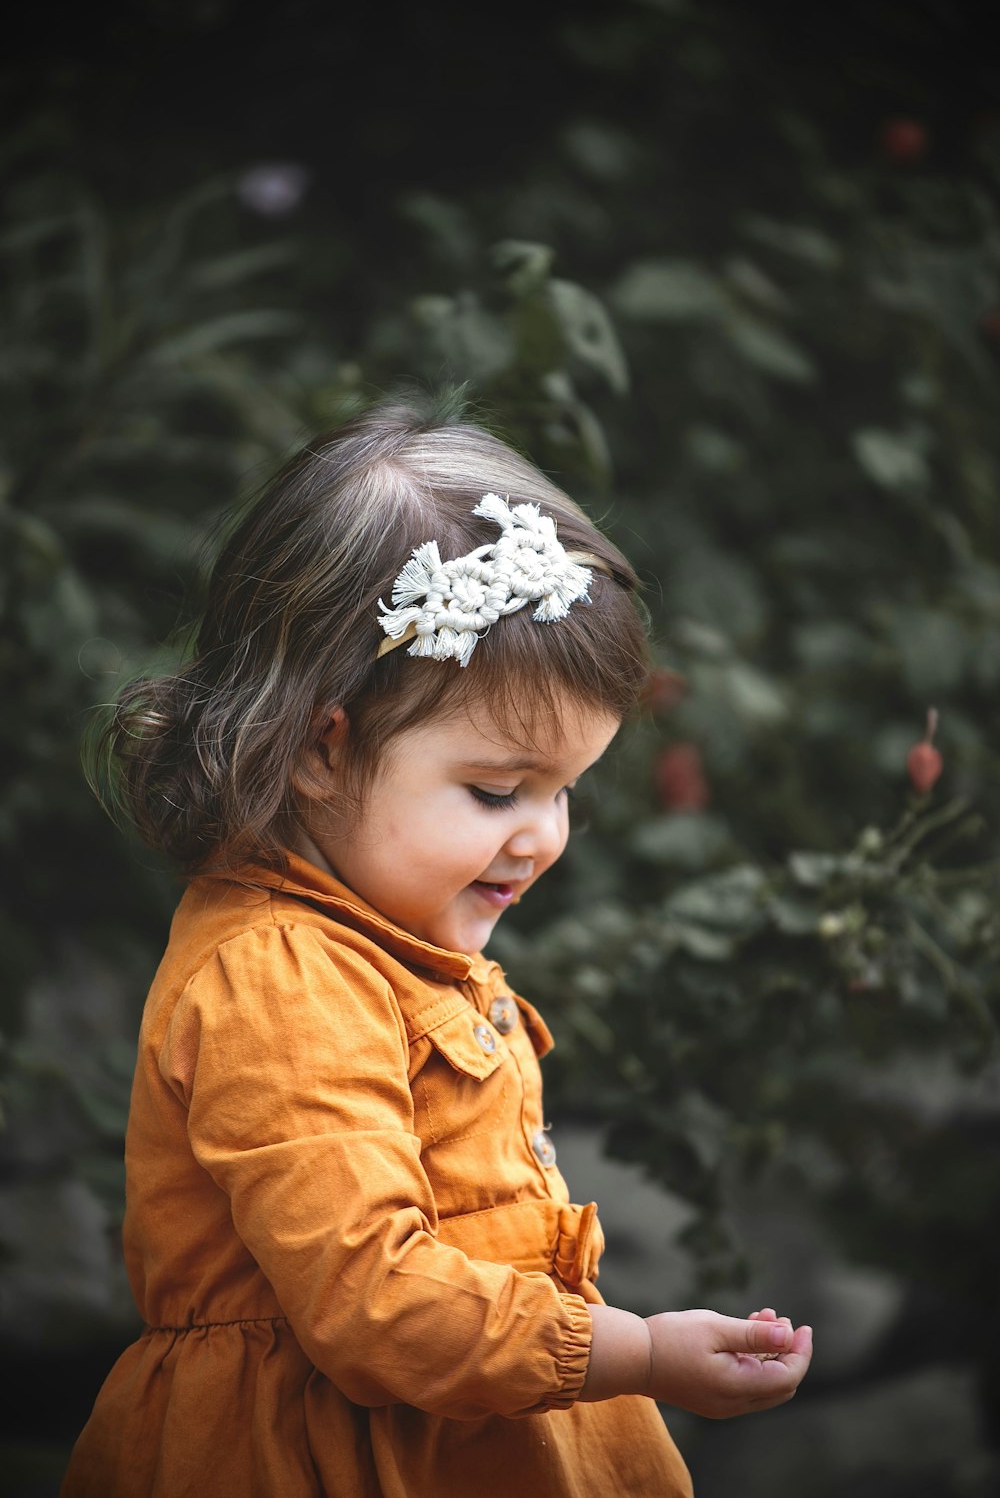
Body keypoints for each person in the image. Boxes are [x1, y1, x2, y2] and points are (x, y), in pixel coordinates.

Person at [63, 397, 812, 1497]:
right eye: (497, 789)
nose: (542, 836)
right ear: (322, 750)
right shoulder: (280, 978)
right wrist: (634, 1353)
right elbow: (373, 1300)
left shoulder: (382, 945)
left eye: (566, 792)